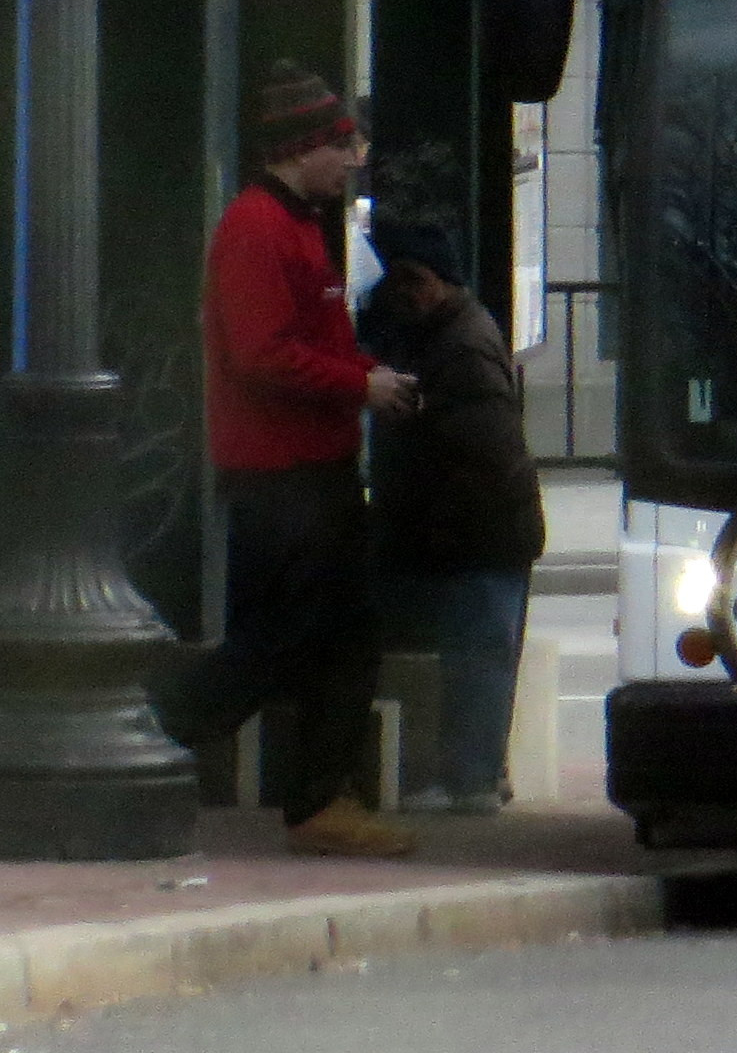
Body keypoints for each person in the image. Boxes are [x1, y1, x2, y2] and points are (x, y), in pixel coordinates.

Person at [155, 61, 420, 858]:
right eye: (340, 147)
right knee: (294, 633)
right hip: (285, 474)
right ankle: (165, 738)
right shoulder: (259, 229)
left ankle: (314, 795)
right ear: (302, 148)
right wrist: (360, 385)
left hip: (309, 467)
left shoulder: (293, 224)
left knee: (330, 633)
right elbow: (263, 354)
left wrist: (358, 381)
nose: (352, 161)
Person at [359, 219, 545, 816]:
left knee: (477, 658)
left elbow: (485, 452)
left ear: (441, 283)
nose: (405, 292)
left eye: (415, 280)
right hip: (480, 532)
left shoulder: (458, 345)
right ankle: (481, 772)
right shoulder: (446, 332)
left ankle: (472, 781)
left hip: (479, 535)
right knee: (478, 656)